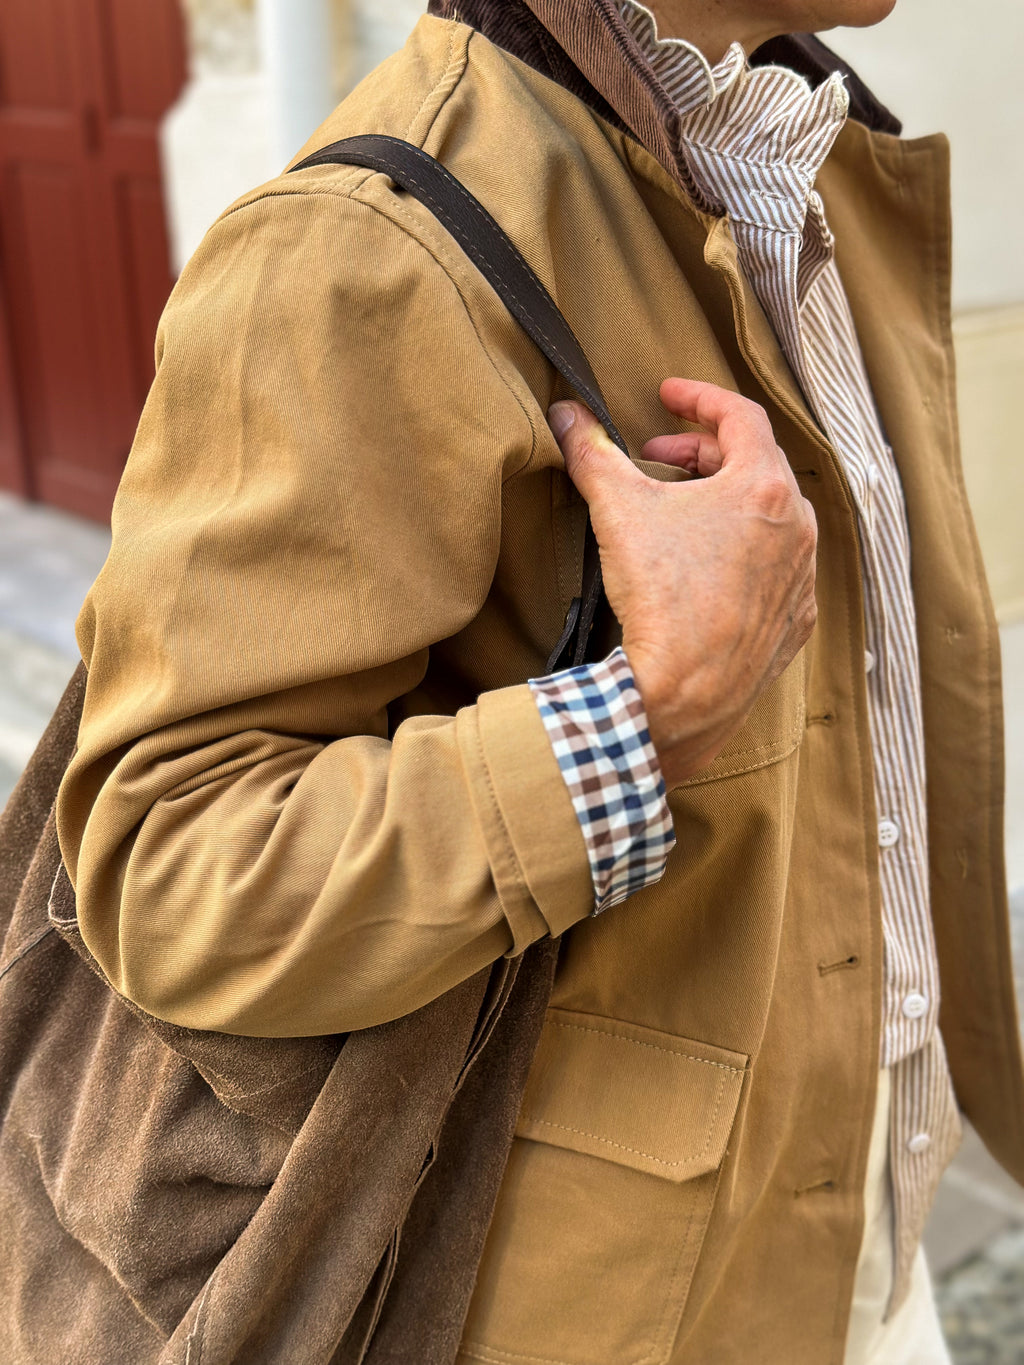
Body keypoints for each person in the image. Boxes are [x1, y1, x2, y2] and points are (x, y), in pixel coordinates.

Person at [55, 0, 1024, 1361]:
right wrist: (642, 723)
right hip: (612, 1302)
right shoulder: (362, 247)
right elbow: (171, 861)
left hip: (843, 1220)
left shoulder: (796, 154)